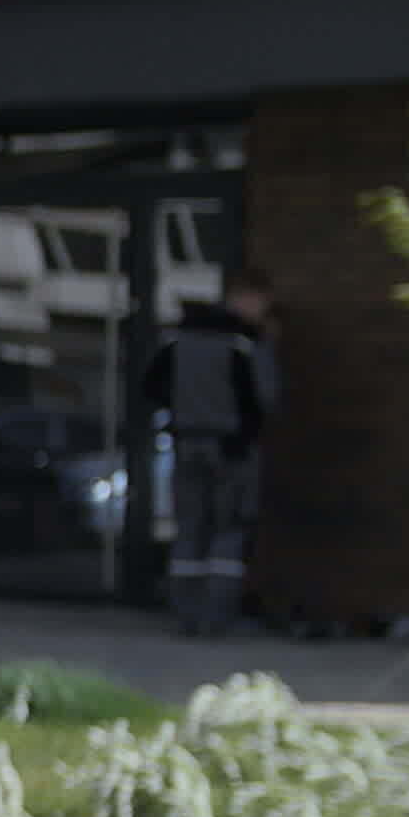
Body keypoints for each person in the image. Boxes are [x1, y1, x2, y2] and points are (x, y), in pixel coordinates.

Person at [142, 267, 279, 637]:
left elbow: (151, 386)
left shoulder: (178, 340)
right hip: (232, 448)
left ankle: (186, 615)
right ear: (249, 300)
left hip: (186, 444)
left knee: (189, 531)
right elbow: (265, 399)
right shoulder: (244, 344)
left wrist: (181, 414)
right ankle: (217, 619)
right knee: (229, 531)